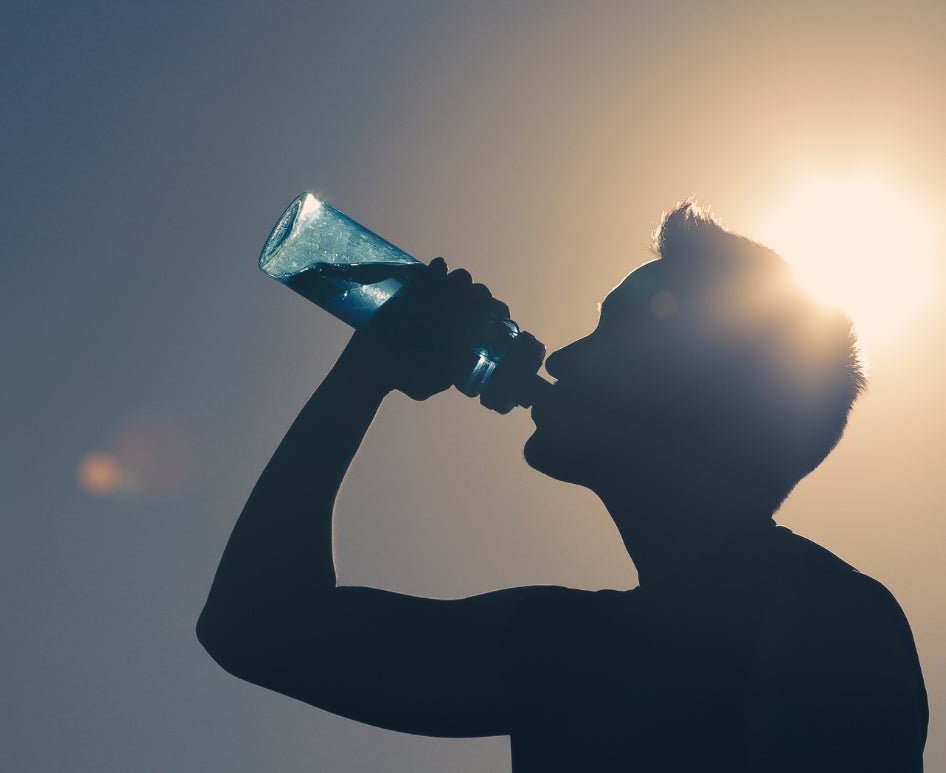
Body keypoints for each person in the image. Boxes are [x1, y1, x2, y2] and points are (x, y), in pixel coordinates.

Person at [197, 203, 928, 771]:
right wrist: (366, 371)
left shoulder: (826, 624)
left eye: (615, 331)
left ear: (704, 395)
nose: (563, 357)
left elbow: (259, 626)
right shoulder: (571, 646)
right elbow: (254, 628)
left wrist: (364, 377)